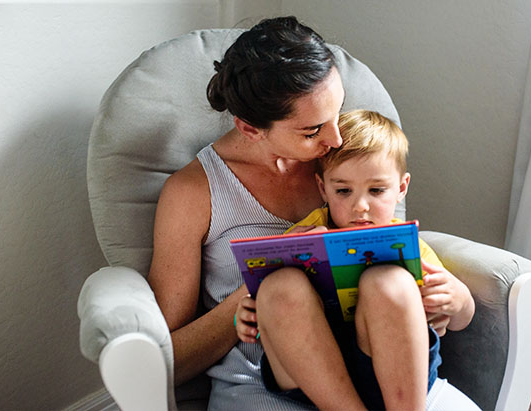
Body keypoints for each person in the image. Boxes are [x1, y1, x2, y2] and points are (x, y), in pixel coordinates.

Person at [148, 16, 478, 410]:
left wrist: (452, 297)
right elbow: (166, 362)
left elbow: (399, 248)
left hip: (379, 362)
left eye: (337, 112)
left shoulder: (343, 159)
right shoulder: (192, 193)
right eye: (312, 130)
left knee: (388, 284)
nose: (335, 138)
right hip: (267, 376)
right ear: (251, 128)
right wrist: (250, 297)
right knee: (282, 291)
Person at [235, 109, 478, 410]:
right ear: (323, 188)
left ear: (401, 188)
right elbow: (267, 304)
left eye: (376, 190)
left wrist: (458, 300)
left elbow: (459, 320)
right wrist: (248, 311)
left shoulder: (405, 243)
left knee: (390, 282)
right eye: (343, 191)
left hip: (394, 375)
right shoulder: (305, 233)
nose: (360, 206)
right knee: (279, 286)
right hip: (314, 377)